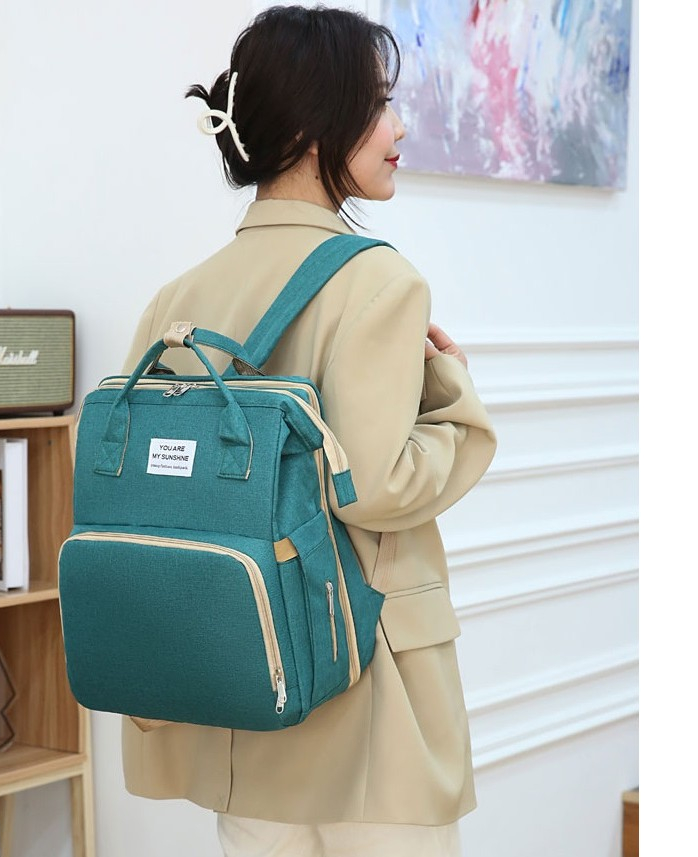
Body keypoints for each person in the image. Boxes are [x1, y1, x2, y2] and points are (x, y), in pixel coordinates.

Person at [120, 5, 497, 856]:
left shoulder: (174, 300)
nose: (399, 126)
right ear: (307, 124)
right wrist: (454, 400)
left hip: (233, 685)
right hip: (359, 691)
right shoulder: (377, 282)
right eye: (378, 102)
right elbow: (375, 486)